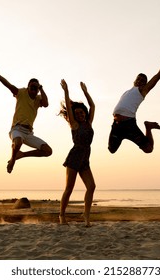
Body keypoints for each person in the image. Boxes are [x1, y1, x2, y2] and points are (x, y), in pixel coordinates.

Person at [0, 64, 52, 173]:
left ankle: (22, 154)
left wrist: (41, 88)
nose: (34, 89)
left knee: (48, 151)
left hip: (29, 133)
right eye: (32, 87)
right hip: (16, 130)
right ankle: (13, 160)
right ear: (28, 87)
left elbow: (46, 104)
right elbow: (8, 84)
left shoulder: (39, 99)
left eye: (36, 88)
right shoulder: (21, 93)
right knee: (18, 142)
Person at [108, 49, 160, 154]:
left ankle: (148, 127)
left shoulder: (142, 90)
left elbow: (158, 76)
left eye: (143, 81)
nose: (140, 81)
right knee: (111, 150)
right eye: (138, 79)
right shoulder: (127, 91)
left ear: (145, 84)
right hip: (117, 125)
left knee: (148, 149)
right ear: (134, 80)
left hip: (129, 124)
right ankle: (122, 136)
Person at [58, 79, 96, 227]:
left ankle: (86, 216)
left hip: (85, 158)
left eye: (82, 112)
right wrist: (66, 91)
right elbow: (68, 105)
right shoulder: (74, 125)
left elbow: (92, 105)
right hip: (74, 157)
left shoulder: (89, 123)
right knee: (69, 189)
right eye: (77, 113)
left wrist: (85, 92)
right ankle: (61, 215)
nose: (80, 114)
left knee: (91, 187)